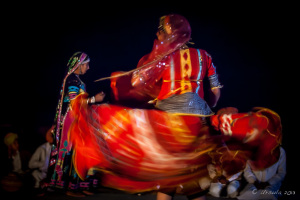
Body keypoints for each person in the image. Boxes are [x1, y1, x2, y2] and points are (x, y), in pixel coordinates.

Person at [129, 14, 222, 200]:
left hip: (168, 122)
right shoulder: (204, 55)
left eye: (161, 32)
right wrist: (205, 106)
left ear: (170, 34)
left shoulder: (162, 57)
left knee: (169, 176)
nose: (157, 36)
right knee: (191, 176)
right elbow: (216, 91)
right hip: (195, 123)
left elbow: (136, 82)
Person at [46, 52, 105, 197]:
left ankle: (76, 186)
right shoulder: (72, 80)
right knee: (69, 152)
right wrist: (93, 100)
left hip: (76, 121)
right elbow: (74, 103)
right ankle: (66, 187)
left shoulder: (78, 80)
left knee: (77, 153)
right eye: (87, 64)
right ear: (79, 65)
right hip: (69, 122)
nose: (89, 67)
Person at [28, 126, 54, 195]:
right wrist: (43, 164)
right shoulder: (42, 148)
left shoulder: (59, 149)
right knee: (36, 174)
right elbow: (31, 164)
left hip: (52, 177)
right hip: (42, 175)